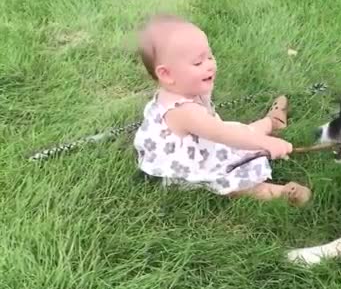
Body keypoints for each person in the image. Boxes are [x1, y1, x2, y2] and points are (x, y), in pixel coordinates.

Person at [132, 14, 311, 205]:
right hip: (192, 165)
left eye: (209, 56)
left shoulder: (182, 87)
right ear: (167, 74)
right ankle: (280, 193)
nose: (210, 65)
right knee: (231, 183)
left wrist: (259, 140)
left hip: (204, 143)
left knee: (243, 134)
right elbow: (223, 133)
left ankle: (272, 122)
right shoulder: (184, 112)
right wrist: (265, 143)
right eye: (198, 63)